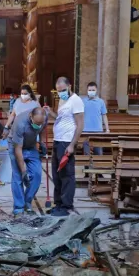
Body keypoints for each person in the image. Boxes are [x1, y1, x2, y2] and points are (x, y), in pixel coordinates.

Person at [43, 77, 84, 217]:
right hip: (58, 140)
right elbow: (60, 118)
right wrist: (50, 112)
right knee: (56, 174)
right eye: (59, 91)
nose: (61, 93)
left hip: (67, 142)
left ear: (70, 86)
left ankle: (67, 205)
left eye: (63, 90)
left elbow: (80, 124)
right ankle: (58, 203)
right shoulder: (62, 100)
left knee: (67, 175)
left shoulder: (76, 101)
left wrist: (72, 145)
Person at [9, 107, 47, 216]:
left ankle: (27, 201)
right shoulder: (20, 123)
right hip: (16, 146)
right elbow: (18, 149)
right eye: (36, 123)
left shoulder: (44, 117)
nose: (38, 125)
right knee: (18, 176)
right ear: (31, 116)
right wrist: (23, 170)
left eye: (41, 123)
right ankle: (18, 207)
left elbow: (43, 129)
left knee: (37, 174)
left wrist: (42, 143)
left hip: (31, 146)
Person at [81, 82, 109, 155]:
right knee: (86, 153)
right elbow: (79, 115)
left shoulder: (101, 102)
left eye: (93, 90)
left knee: (98, 152)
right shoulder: (83, 101)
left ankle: (98, 166)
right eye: (89, 90)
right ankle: (87, 166)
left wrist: (107, 129)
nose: (91, 92)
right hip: (85, 130)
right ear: (87, 91)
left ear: (96, 90)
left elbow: (104, 115)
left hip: (98, 130)